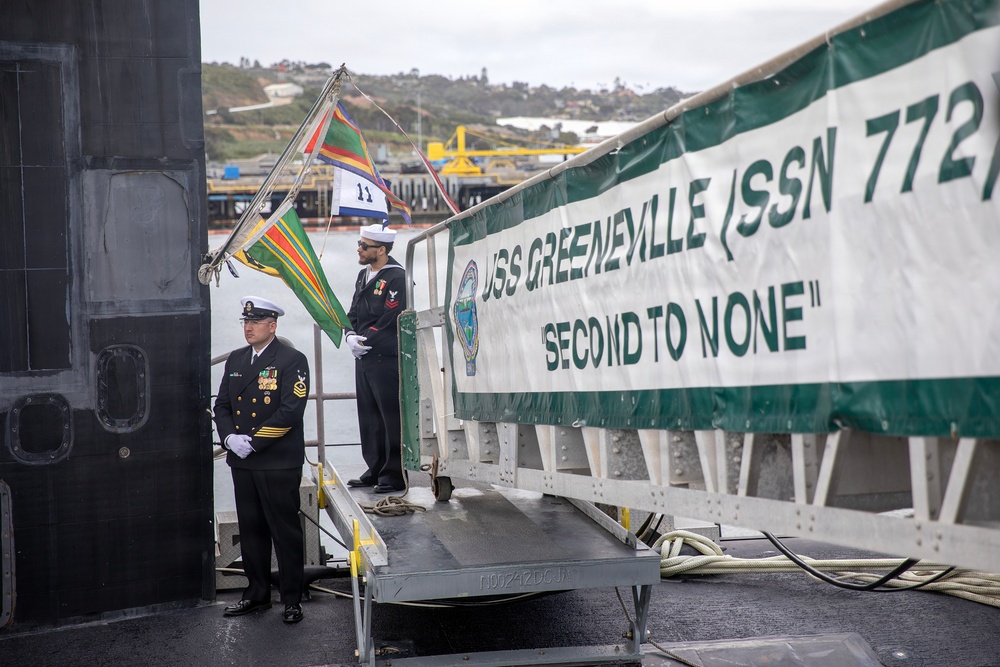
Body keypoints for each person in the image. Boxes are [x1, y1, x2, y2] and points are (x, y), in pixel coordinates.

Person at [214, 296, 309, 624]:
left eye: (255, 323)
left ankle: (292, 598)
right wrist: (229, 439)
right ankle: (256, 593)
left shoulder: (292, 360)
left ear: (273, 325)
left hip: (277, 460)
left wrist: (252, 443)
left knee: (285, 531)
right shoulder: (237, 359)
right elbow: (222, 405)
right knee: (251, 529)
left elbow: (290, 411)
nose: (248, 327)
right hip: (243, 461)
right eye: (245, 322)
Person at [345, 223, 408, 493]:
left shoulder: (397, 277)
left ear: (381, 250)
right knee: (369, 416)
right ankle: (374, 468)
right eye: (359, 244)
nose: (359, 250)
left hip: (386, 356)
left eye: (364, 246)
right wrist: (349, 335)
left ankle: (394, 475)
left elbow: (392, 316)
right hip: (364, 357)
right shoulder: (363, 276)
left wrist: (365, 337)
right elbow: (354, 312)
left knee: (389, 416)